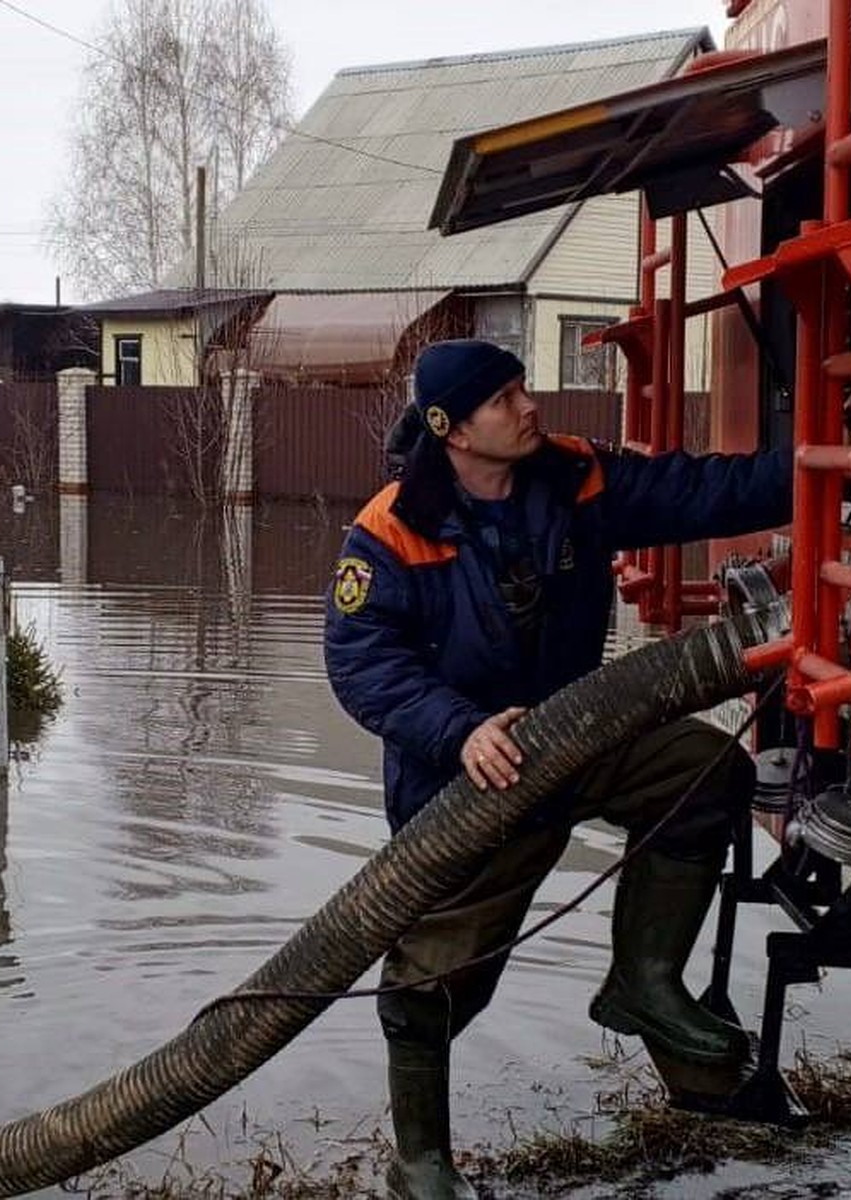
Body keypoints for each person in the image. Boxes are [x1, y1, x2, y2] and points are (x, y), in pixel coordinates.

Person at [323, 339, 792, 1200]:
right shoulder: (389, 533)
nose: (529, 406)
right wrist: (460, 731)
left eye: (521, 389)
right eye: (504, 399)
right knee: (433, 977)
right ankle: (419, 1163)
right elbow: (363, 667)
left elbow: (700, 491)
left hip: (577, 739)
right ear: (453, 431)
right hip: (470, 778)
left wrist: (832, 468)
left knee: (703, 773)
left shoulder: (573, 477)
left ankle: (646, 983)